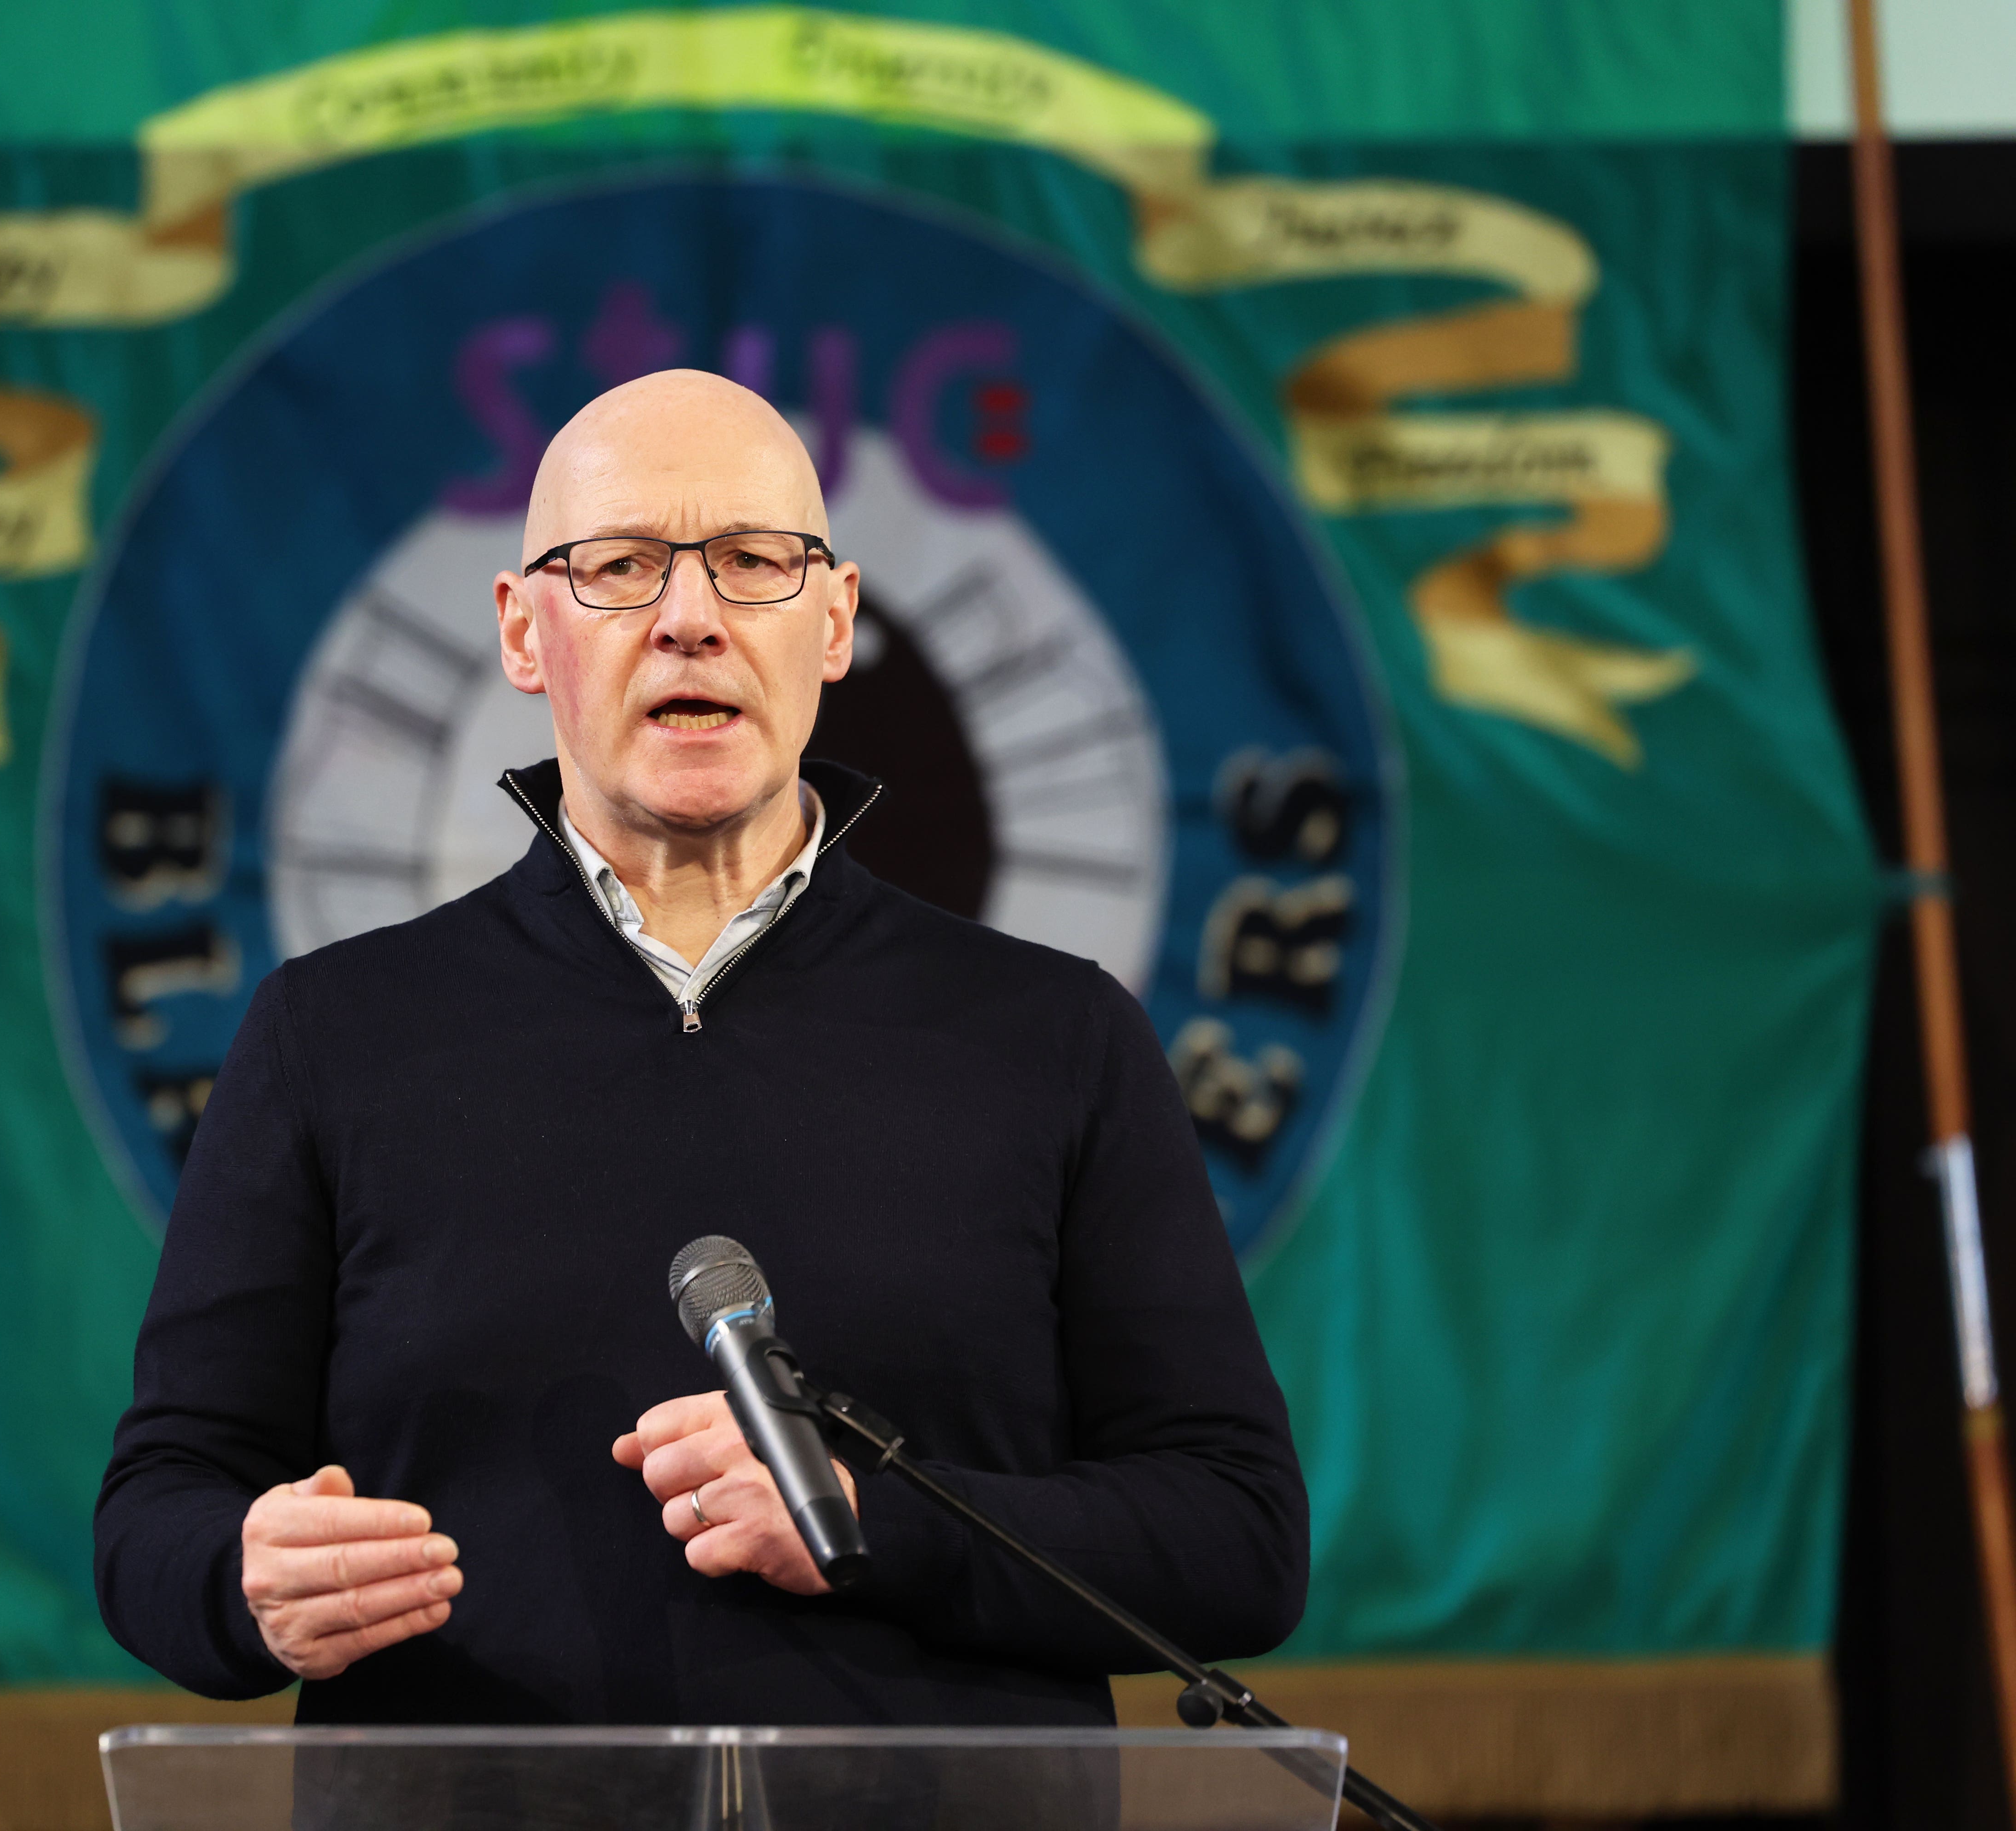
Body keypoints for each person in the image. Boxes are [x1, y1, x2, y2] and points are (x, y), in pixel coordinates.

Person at [94, 368, 1306, 1724]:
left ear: (835, 620)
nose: (689, 619)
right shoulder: (329, 1035)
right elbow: (158, 1511)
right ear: (523, 630)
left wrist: (873, 1526)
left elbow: (1238, 1538)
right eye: (619, 567)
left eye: (754, 563)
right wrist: (240, 1579)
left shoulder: (1059, 1037)